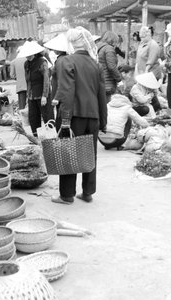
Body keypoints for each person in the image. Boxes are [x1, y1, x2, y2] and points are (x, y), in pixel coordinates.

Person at [52, 26, 107, 204]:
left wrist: (65, 119)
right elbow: (101, 95)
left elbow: (66, 92)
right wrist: (103, 121)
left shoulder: (65, 61)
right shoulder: (95, 64)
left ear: (72, 43)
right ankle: (88, 192)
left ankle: (67, 195)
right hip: (93, 116)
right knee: (89, 154)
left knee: (69, 154)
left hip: (73, 116)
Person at [18, 41, 53, 137]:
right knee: (33, 118)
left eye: (29, 54)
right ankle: (36, 138)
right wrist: (27, 97)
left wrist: (44, 96)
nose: (28, 56)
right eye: (26, 55)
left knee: (47, 117)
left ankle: (51, 137)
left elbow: (46, 80)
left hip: (42, 94)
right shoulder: (26, 64)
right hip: (31, 96)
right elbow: (28, 81)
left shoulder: (42, 62)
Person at [44, 33, 72, 129]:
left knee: (61, 118)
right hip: (64, 93)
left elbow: (61, 80)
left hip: (60, 94)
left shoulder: (60, 61)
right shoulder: (66, 59)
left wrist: (57, 97)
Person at [97, 31, 122, 103]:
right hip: (107, 81)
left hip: (97, 80)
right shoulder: (109, 49)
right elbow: (111, 66)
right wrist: (119, 79)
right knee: (106, 106)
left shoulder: (97, 47)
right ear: (112, 39)